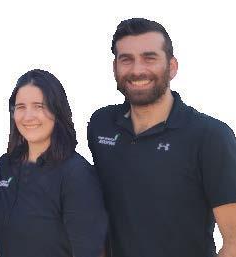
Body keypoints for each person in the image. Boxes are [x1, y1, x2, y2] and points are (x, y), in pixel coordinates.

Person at [87, 17, 236, 257]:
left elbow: (234, 241)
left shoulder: (210, 136)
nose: (137, 70)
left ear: (172, 66)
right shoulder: (101, 125)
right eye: (126, 59)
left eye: (149, 58)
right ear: (115, 68)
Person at [0, 69, 107, 257]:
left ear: (56, 110)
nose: (28, 116)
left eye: (39, 106)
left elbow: (90, 251)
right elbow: (0, 238)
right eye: (21, 107)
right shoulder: (6, 165)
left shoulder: (76, 173)